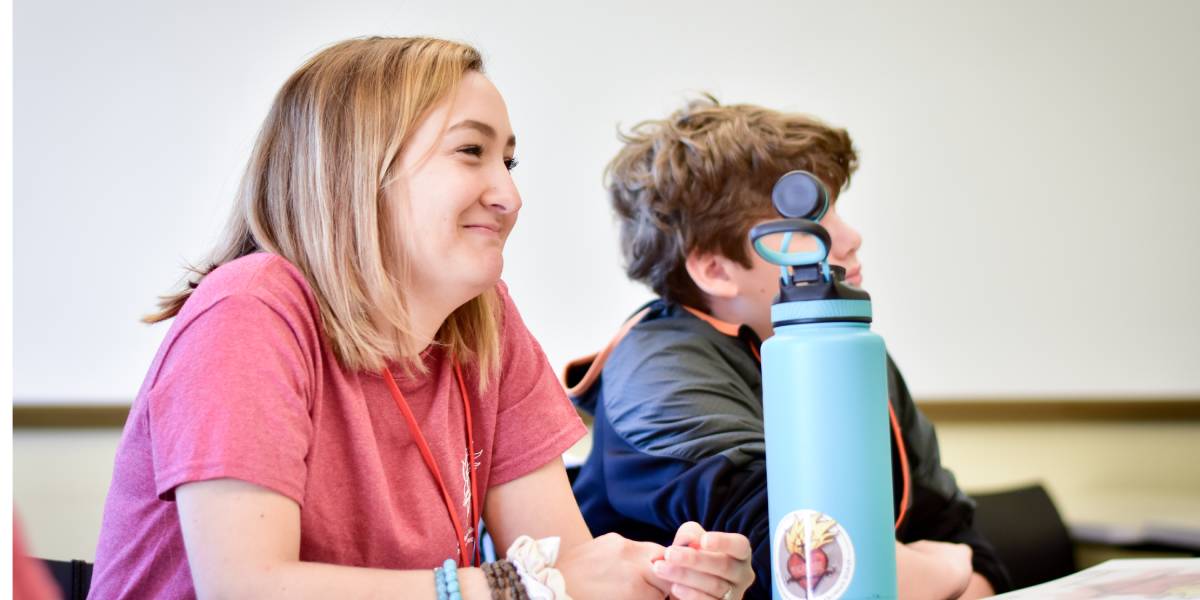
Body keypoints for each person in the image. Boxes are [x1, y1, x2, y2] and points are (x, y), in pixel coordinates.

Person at [89, 38, 755, 600]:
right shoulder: (249, 311)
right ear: (355, 170)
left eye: (510, 160)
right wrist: (521, 585)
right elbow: (248, 587)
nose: (510, 195)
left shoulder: (483, 321)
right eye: (472, 152)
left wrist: (665, 575)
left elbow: (564, 569)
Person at [567, 97, 1013, 599]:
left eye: (836, 209)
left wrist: (951, 570)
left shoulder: (845, 348)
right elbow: (806, 565)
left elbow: (969, 547)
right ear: (716, 268)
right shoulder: (656, 374)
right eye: (811, 218)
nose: (849, 238)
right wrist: (947, 572)